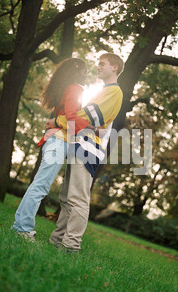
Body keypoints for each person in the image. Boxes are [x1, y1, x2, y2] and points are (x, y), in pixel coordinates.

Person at [47, 53, 125, 252]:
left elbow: (86, 116)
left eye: (102, 64)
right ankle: (57, 241)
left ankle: (71, 246)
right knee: (66, 198)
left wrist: (58, 121)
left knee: (78, 198)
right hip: (79, 142)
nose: (98, 67)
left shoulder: (114, 92)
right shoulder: (103, 91)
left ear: (114, 67)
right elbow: (84, 119)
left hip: (89, 148)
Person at [11, 58, 92, 241]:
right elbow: (71, 118)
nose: (87, 74)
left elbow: (67, 117)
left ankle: (19, 227)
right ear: (77, 70)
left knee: (38, 185)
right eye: (86, 70)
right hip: (58, 141)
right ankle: (22, 229)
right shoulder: (75, 89)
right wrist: (91, 127)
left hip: (55, 139)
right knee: (40, 186)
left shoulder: (66, 88)